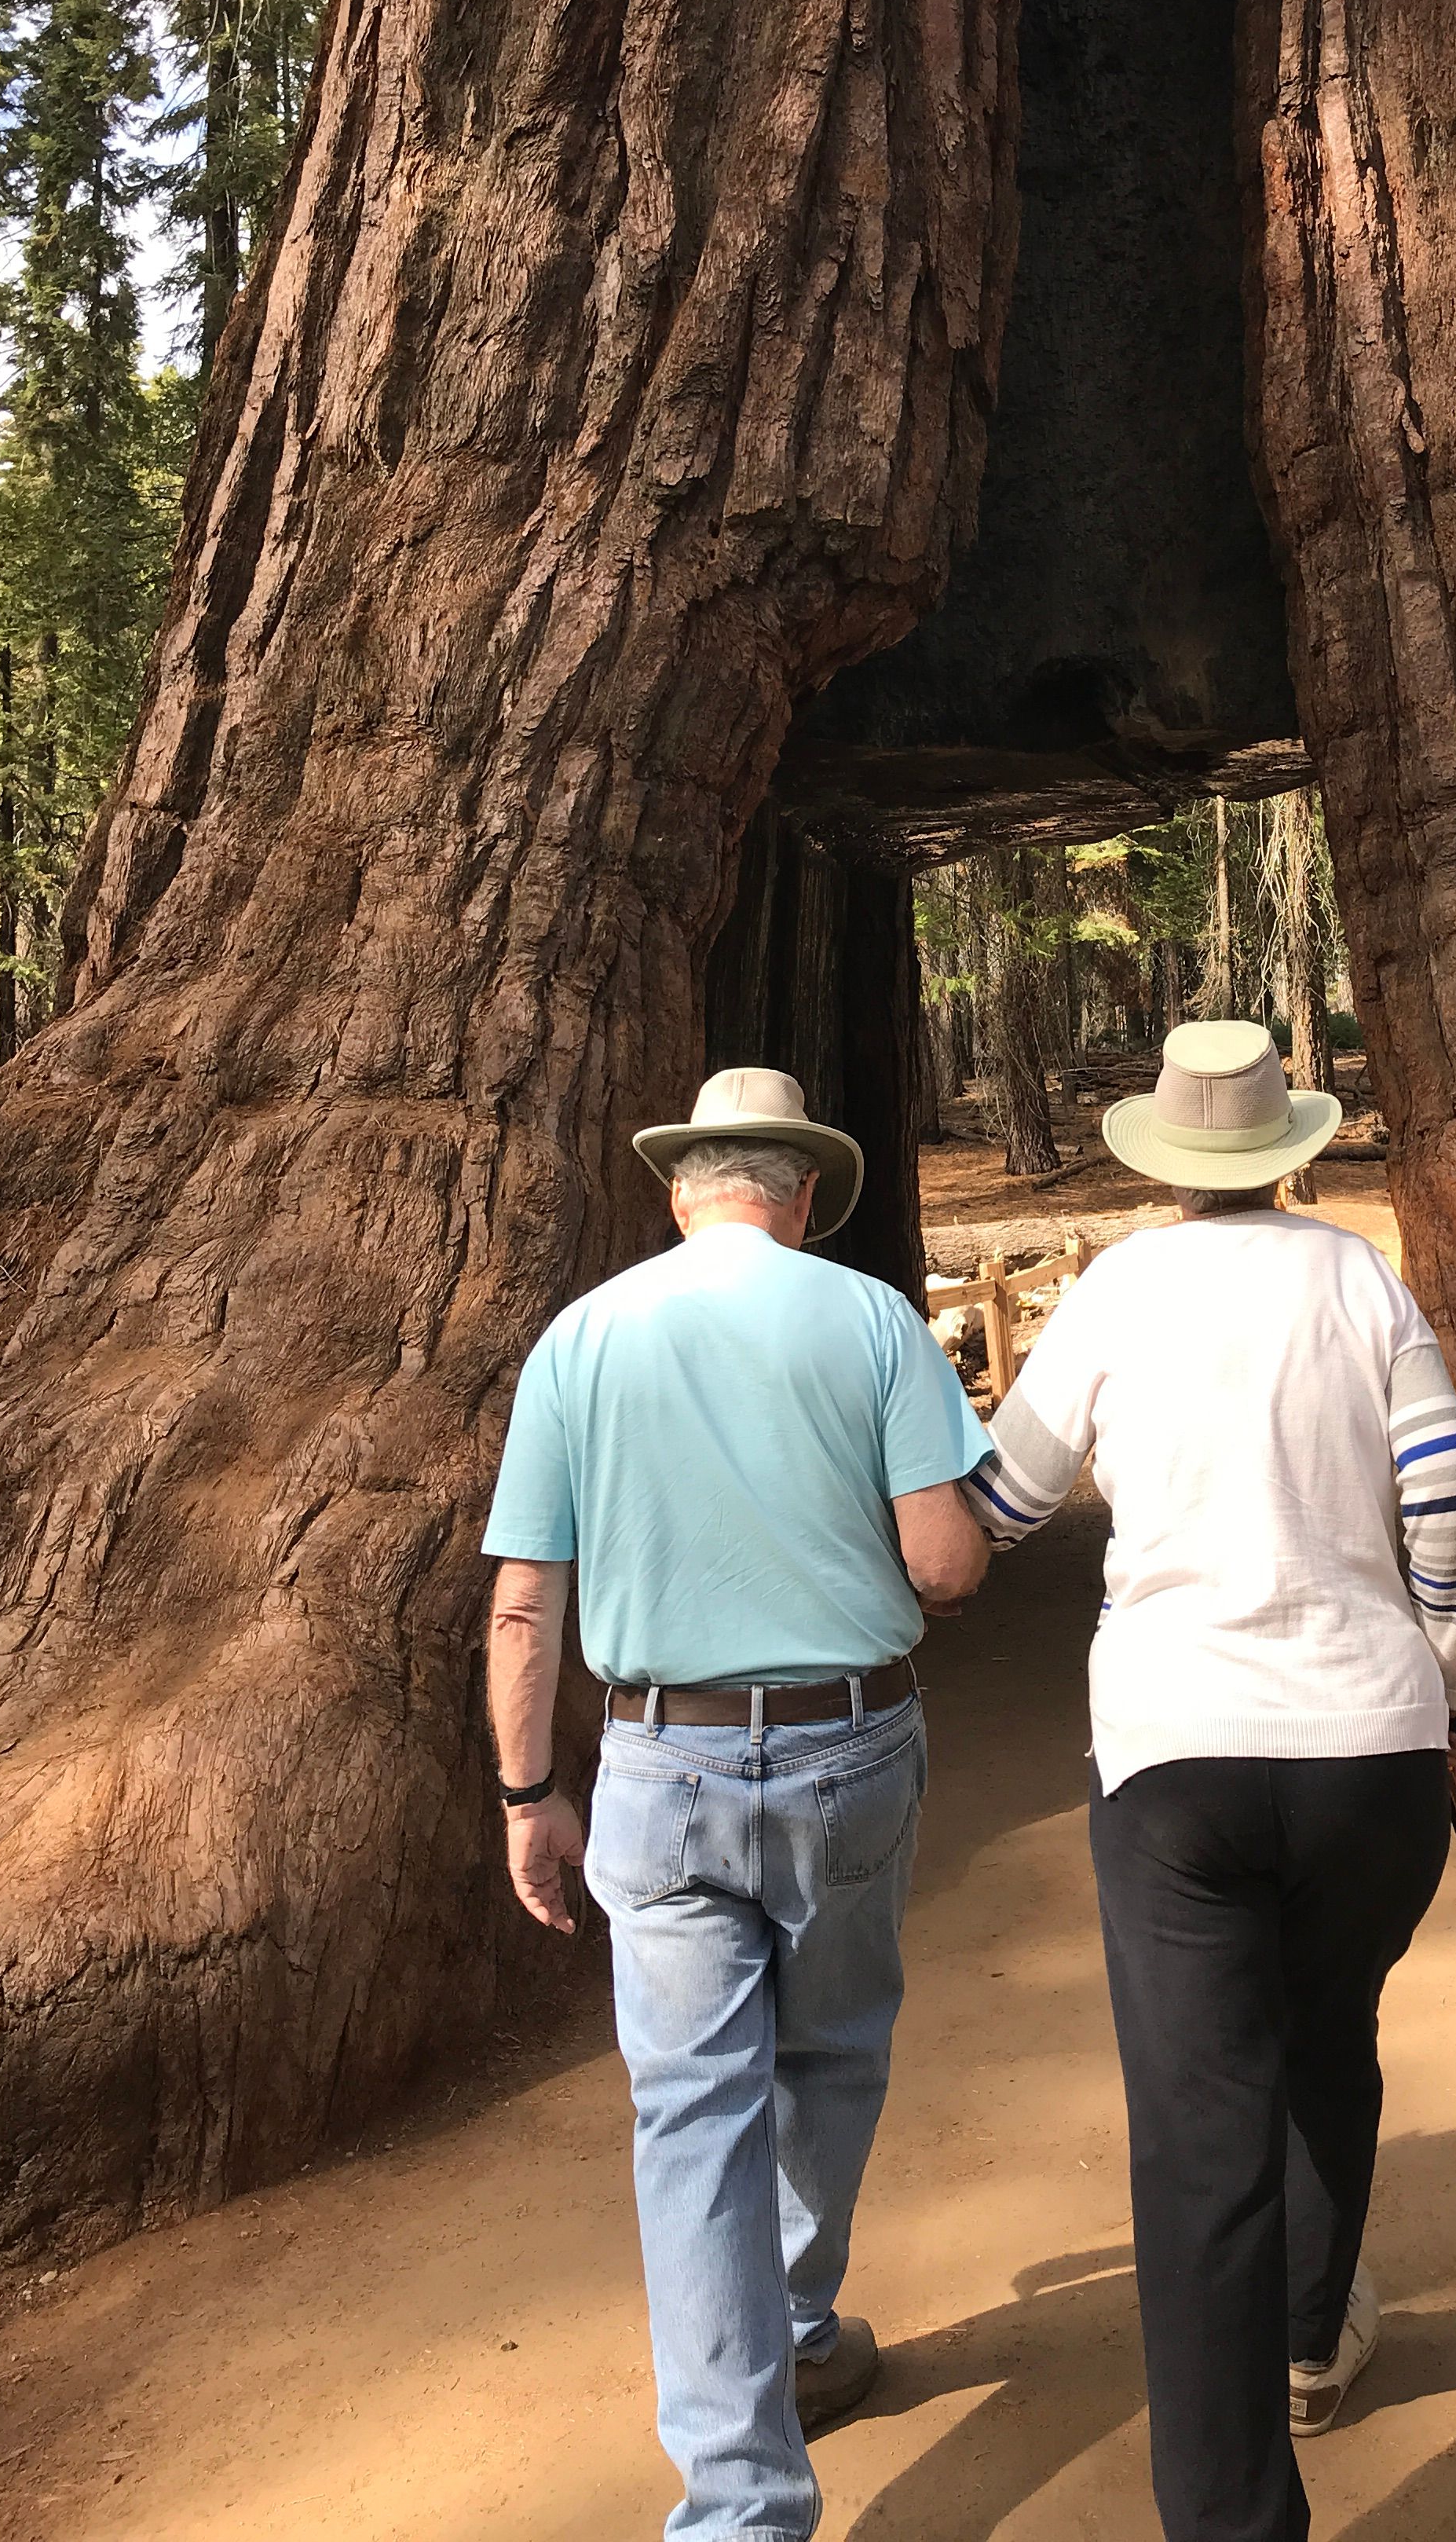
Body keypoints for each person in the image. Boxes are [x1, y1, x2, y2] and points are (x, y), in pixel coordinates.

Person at [967, 1020, 1456, 2542]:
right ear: (1290, 1150)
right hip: (1368, 1757)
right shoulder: (1353, 1278)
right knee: (1328, 2032)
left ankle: (1231, 2520)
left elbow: (1005, 1502)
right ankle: (1311, 2340)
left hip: (1177, 1761)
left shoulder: (1118, 1289)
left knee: (1203, 2135)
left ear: (1165, 1158)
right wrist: (1451, 1696)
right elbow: (1453, 1507)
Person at [482, 1065, 993, 2542]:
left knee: (689, 2118)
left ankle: (741, 2506)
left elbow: (526, 1603)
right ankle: (804, 2323)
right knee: (830, 2056)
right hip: (847, 1751)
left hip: (653, 1769)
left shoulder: (580, 1337)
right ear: (809, 1197)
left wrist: (530, 1791)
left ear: (677, 1194)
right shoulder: (872, 1318)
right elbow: (948, 1567)